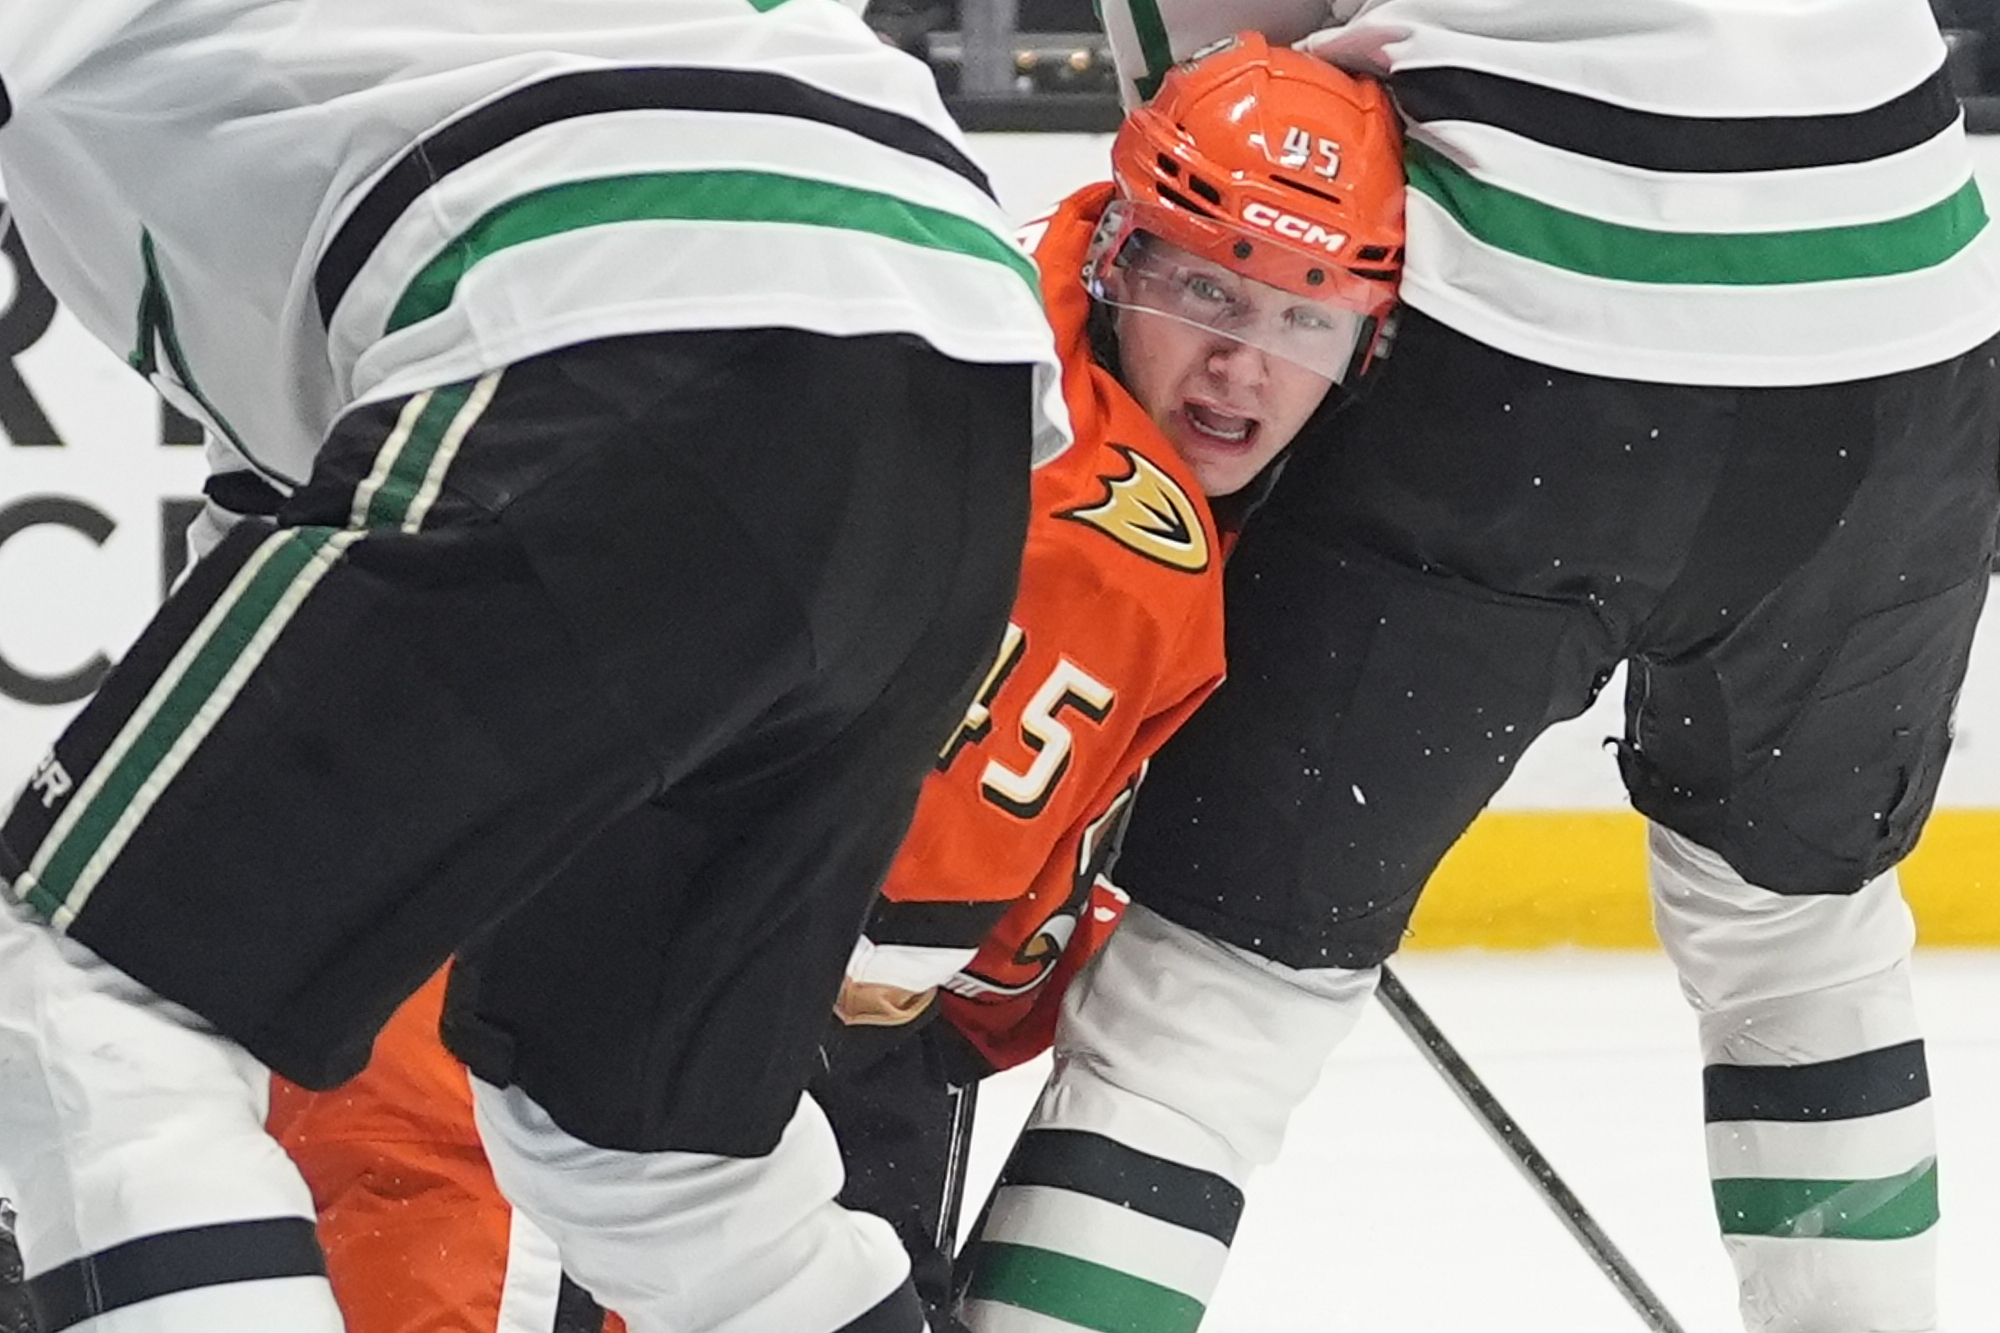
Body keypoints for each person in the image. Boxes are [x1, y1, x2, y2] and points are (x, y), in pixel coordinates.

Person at [254, 34, 1406, 1333]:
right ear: (1123, 255)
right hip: (538, 1021)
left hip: (422, 910)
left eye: (1302, 315)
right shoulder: (1113, 553)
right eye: (1209, 293)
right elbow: (877, 968)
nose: (1242, 367)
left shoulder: (980, 285)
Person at [0, 3, 1067, 1331]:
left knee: (92, 986)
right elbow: (291, 542)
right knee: (640, 1149)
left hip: (619, 304)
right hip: (945, 382)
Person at [955, 5, 2000, 1333]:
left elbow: (1227, 90)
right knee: (1810, 949)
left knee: (1209, 1020)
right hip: (1904, 345)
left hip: (1527, 358)